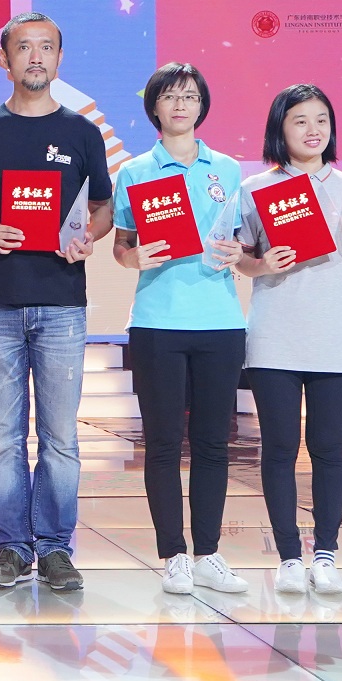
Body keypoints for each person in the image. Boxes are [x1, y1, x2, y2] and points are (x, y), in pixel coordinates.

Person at [0, 14, 114, 593]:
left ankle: (57, 548)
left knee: (61, 437)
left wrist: (87, 238)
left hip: (62, 303)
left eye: (46, 47)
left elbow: (103, 208)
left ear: (59, 58)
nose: (35, 57)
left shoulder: (82, 133)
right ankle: (12, 548)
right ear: (4, 59)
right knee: (3, 438)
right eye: (24, 47)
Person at [112, 63, 250, 597]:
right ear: (154, 106)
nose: (180, 105)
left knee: (214, 444)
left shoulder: (229, 169)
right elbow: (122, 245)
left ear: (202, 105)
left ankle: (209, 553)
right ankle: (173, 555)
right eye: (170, 97)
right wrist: (133, 257)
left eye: (190, 96)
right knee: (164, 443)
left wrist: (238, 252)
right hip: (157, 322)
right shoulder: (135, 171)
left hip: (221, 322)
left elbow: (243, 240)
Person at [235, 85, 342, 597]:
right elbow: (241, 257)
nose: (313, 130)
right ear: (280, 128)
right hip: (275, 332)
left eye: (322, 120)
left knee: (329, 447)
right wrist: (262, 264)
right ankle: (289, 557)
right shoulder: (256, 188)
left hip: (333, 333)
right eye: (300, 120)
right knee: (279, 447)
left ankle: (326, 554)